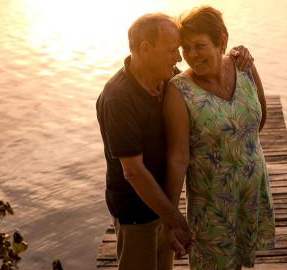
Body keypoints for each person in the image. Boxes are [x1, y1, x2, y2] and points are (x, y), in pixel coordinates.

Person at [96, 12, 253, 270]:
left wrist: (235, 56)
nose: (178, 58)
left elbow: (205, 75)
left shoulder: (167, 78)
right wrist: (175, 219)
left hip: (164, 206)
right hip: (137, 214)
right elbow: (133, 172)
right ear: (145, 49)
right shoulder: (118, 98)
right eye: (172, 50)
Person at [163, 6, 276, 270]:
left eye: (199, 45)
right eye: (185, 47)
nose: (190, 55)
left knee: (238, 263)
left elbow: (259, 118)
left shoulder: (244, 67)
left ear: (221, 42)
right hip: (213, 204)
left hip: (251, 190)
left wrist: (236, 152)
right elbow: (178, 159)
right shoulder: (179, 91)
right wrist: (171, 218)